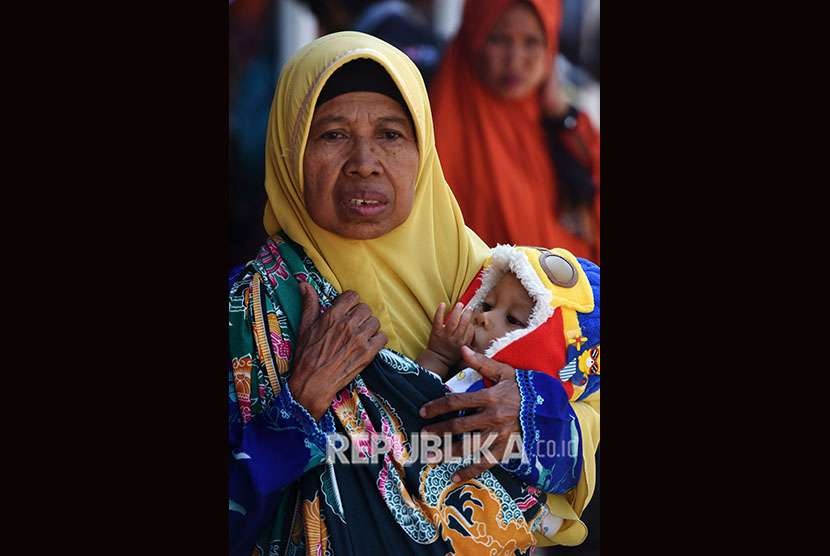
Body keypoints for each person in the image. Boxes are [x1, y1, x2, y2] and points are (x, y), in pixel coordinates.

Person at [228, 31, 600, 556]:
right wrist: (301, 402)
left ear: (424, 151)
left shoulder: (498, 285)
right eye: (332, 135)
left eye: (391, 134)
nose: (364, 161)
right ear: (290, 153)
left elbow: (591, 414)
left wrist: (536, 416)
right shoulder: (250, 311)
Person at [430, 0, 601, 261]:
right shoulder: (437, 129)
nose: (515, 59)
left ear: (551, 44)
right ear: (474, 37)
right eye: (498, 39)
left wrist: (561, 117)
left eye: (532, 42)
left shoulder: (571, 128)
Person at [417, 244, 599, 406]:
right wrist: (439, 356)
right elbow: (405, 404)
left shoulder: (507, 413)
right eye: (487, 305)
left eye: (512, 319)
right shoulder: (457, 369)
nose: (484, 317)